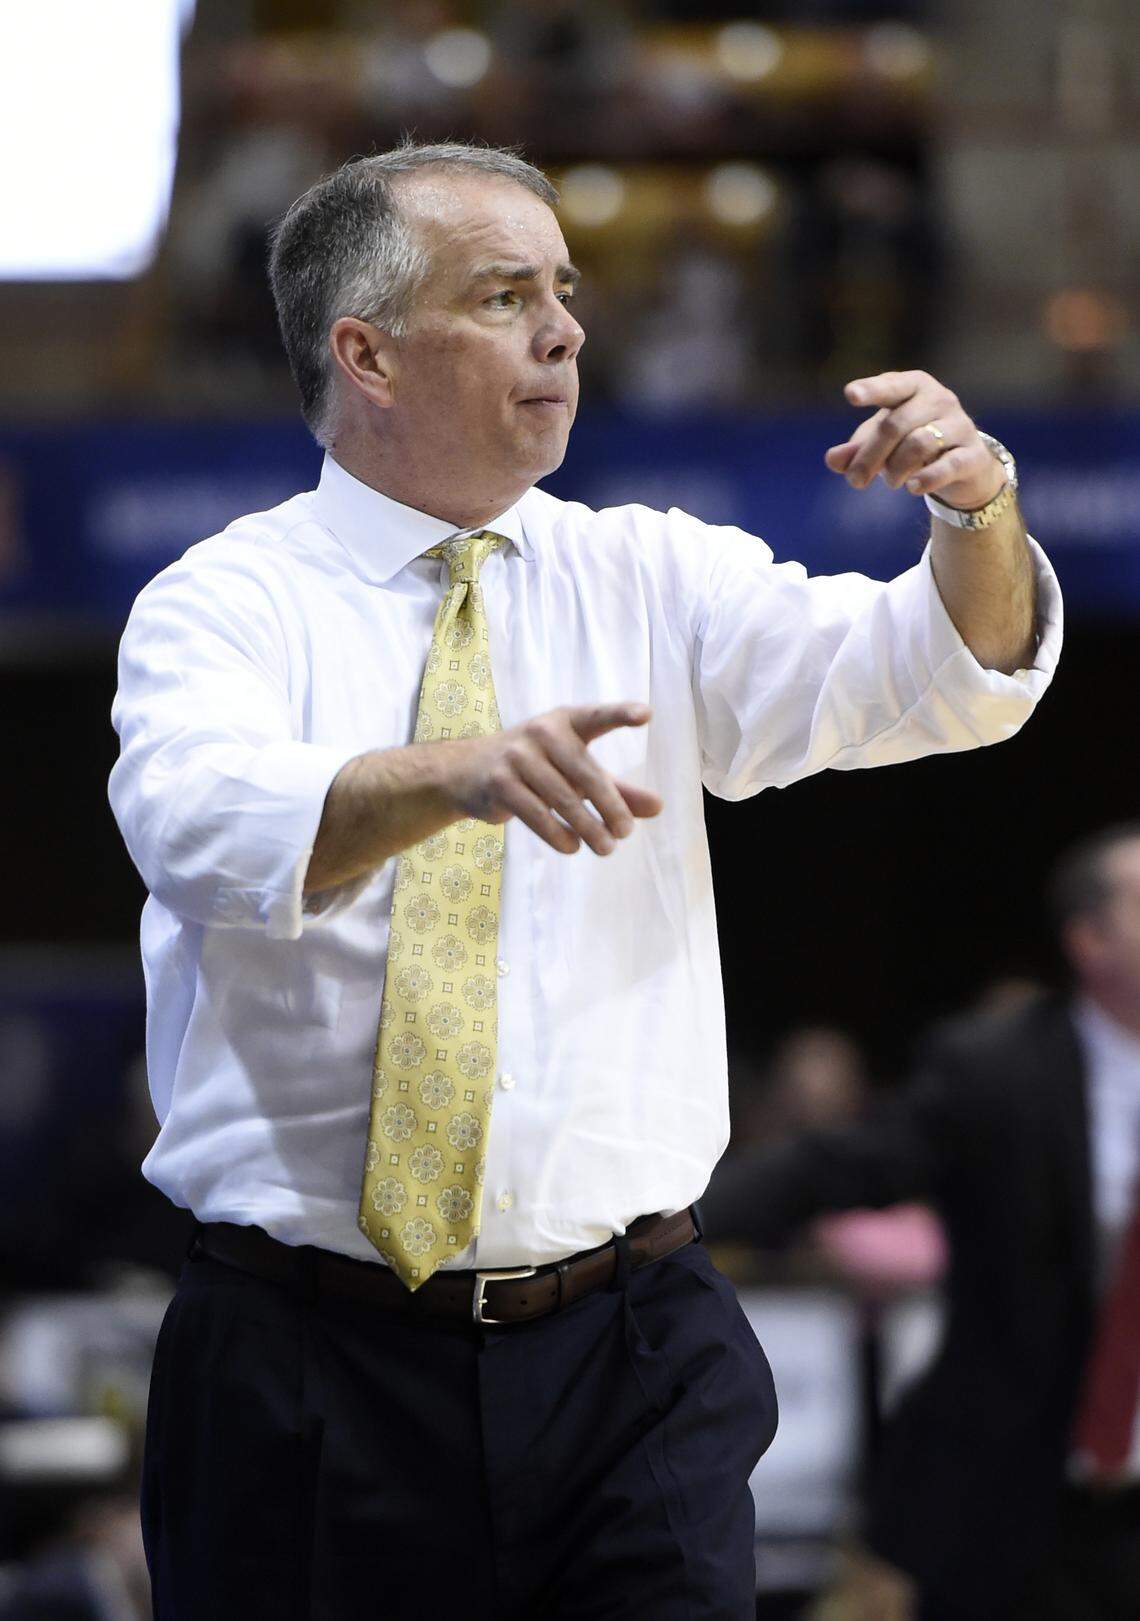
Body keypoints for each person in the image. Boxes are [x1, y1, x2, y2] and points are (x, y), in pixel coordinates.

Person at [108, 139, 1060, 1618]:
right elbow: (198, 824)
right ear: (364, 350)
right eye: (505, 296)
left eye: (564, 291)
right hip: (309, 1365)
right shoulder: (225, 601)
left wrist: (974, 506)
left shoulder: (651, 571)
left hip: (632, 1354)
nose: (564, 329)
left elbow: (938, 675)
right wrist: (454, 772)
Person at [703, 825, 1140, 1620]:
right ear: (1090, 938)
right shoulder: (999, 1070)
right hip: (1013, 1489)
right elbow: (836, 1167)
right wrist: (672, 1225)